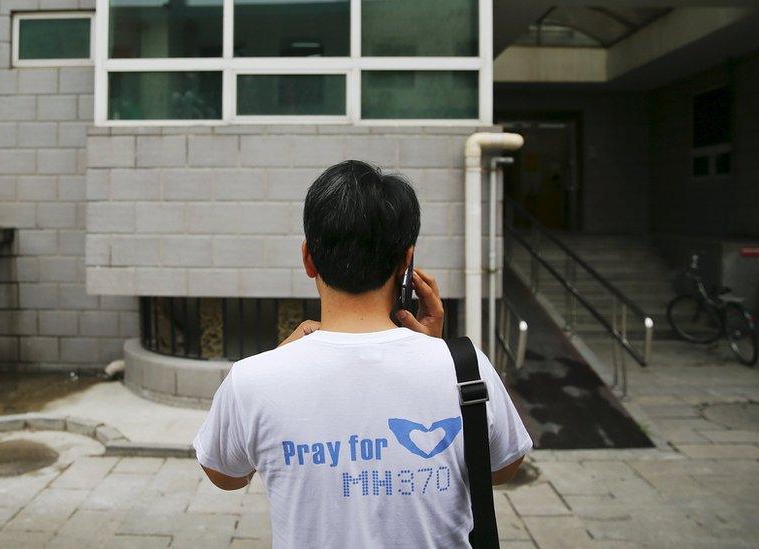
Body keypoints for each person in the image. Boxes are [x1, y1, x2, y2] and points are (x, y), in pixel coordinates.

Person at [193, 160, 532, 548]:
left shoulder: (252, 380)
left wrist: (276, 361)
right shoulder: (465, 368)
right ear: (407, 261)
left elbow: (225, 474)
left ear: (308, 259)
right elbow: (504, 467)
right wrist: (438, 352)